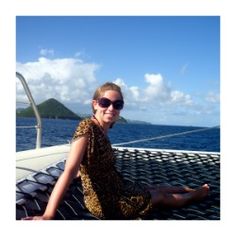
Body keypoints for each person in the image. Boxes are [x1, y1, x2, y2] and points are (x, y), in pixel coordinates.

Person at [23, 82, 209, 220]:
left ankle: (186, 188)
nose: (111, 108)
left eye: (117, 104)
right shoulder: (87, 127)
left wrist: (84, 170)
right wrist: (48, 215)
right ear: (95, 104)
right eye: (105, 102)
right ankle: (194, 195)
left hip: (115, 187)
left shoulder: (102, 129)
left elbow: (85, 162)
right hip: (106, 202)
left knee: (151, 188)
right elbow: (70, 171)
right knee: (158, 196)